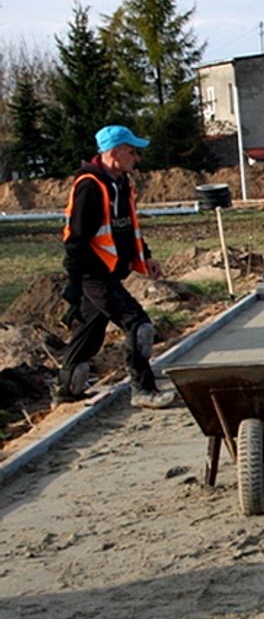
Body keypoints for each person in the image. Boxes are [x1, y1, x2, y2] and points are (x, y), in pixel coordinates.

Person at [55, 125, 174, 409]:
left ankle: (66, 391)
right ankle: (143, 390)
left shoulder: (120, 184)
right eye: (131, 151)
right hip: (93, 274)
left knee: (88, 335)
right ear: (113, 153)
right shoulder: (89, 186)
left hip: (110, 272)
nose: (137, 157)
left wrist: (145, 257)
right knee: (139, 326)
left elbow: (128, 227)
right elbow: (75, 239)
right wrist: (74, 283)